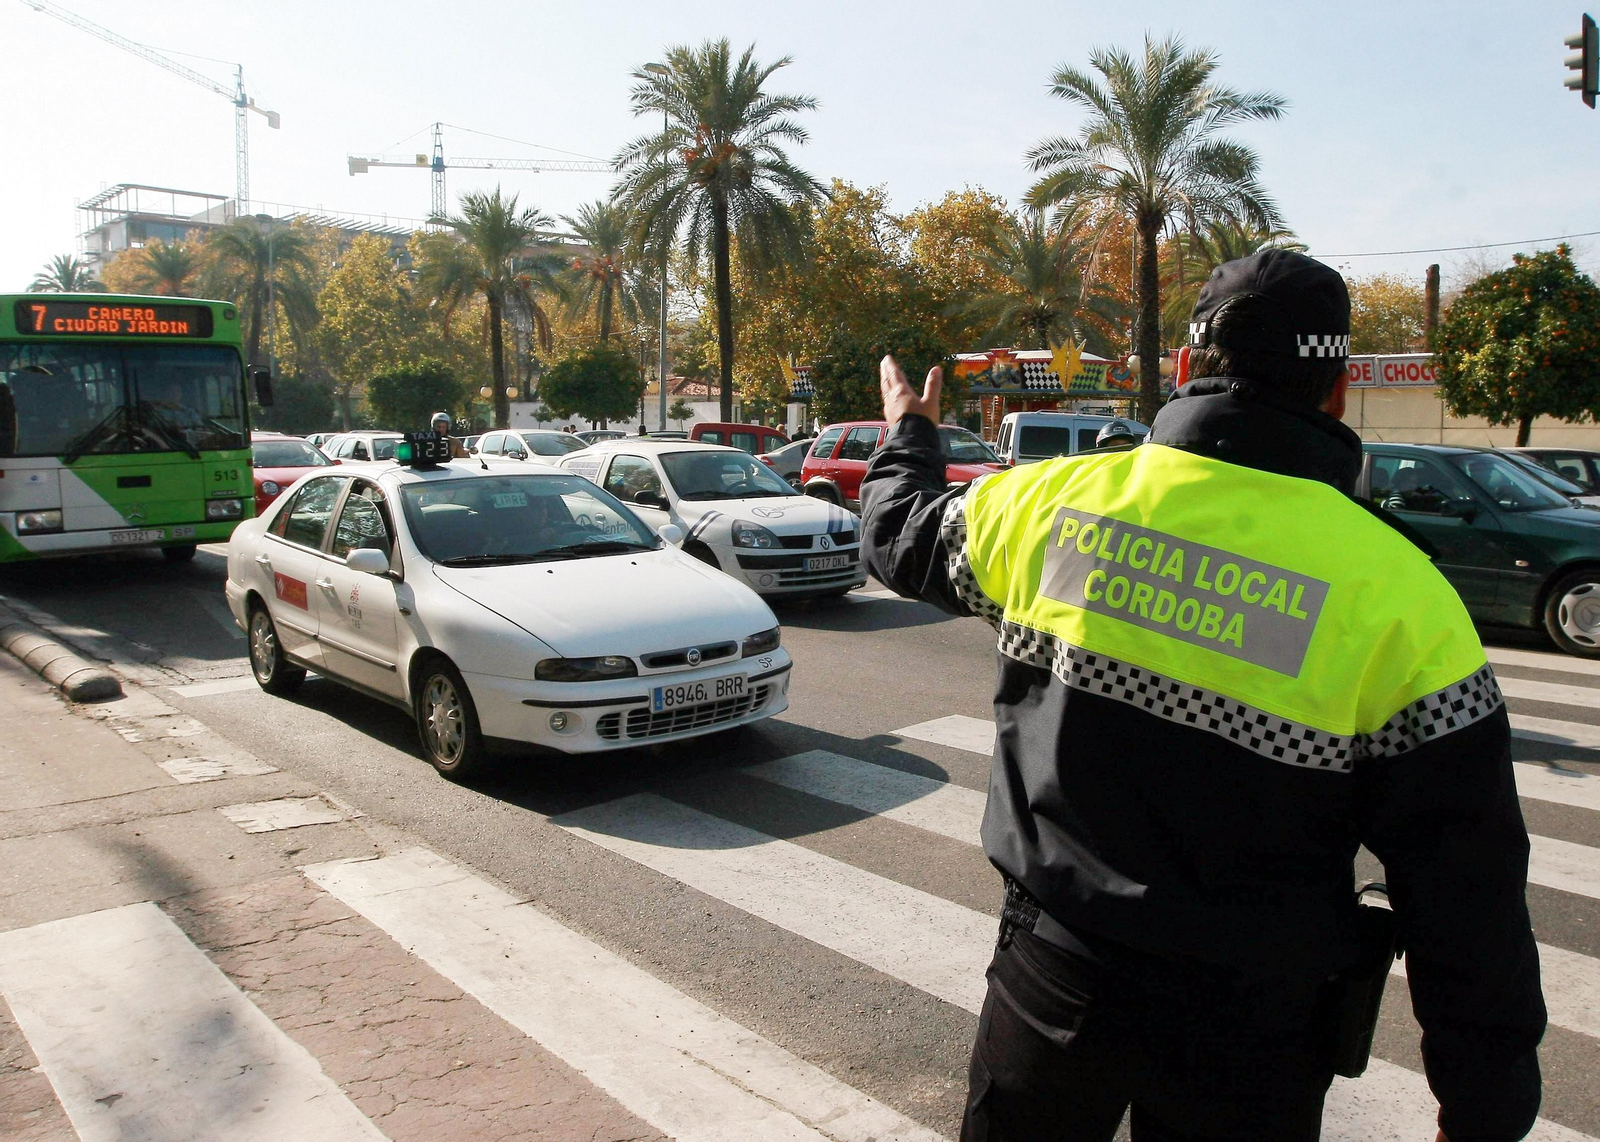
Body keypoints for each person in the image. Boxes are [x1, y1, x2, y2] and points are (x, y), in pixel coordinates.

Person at [860, 250, 1546, 1142]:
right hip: (1257, 1033)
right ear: (1336, 392)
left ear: (1185, 369)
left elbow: (896, 533)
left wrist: (909, 430)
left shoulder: (1048, 503)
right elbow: (1467, 884)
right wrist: (1486, 1100)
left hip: (1052, 983)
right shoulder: (1404, 597)